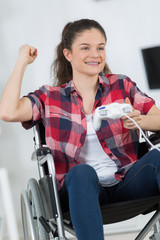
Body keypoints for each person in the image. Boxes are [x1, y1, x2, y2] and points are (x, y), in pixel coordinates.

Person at [1, 18, 160, 240]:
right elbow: (7, 112)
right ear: (68, 54)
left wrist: (140, 121)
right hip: (79, 190)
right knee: (82, 172)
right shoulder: (50, 97)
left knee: (158, 158)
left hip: (127, 183)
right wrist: (21, 61)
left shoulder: (121, 85)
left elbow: (158, 118)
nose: (95, 54)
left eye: (100, 47)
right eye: (85, 48)